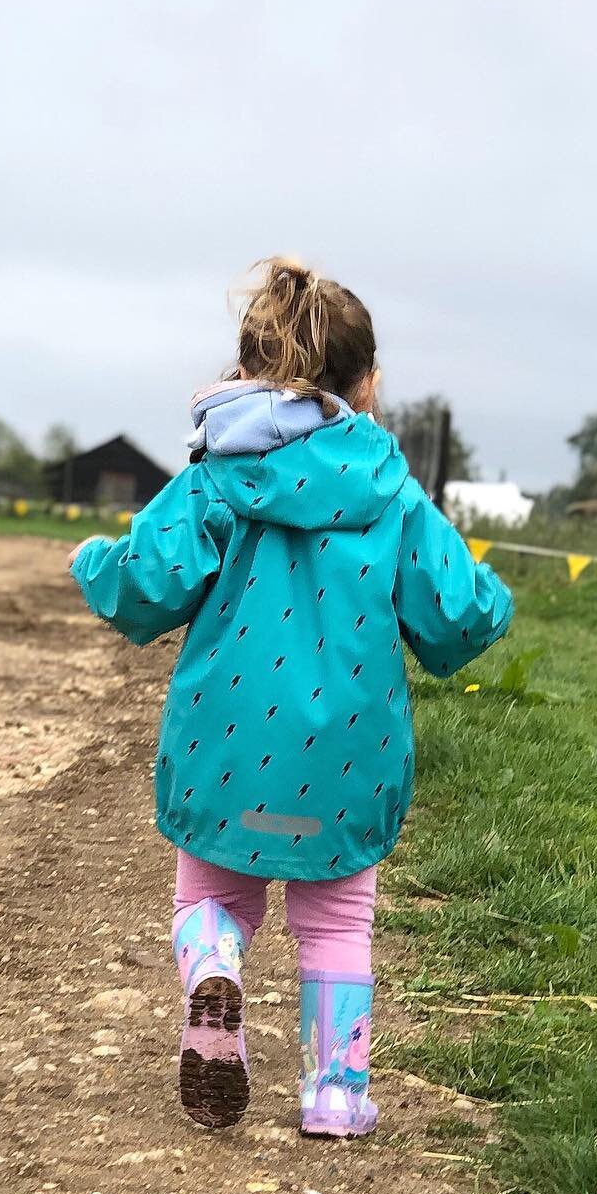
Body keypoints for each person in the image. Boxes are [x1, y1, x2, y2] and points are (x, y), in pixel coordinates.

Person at [69, 258, 512, 1138]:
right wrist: (494, 596)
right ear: (369, 384)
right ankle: (336, 1096)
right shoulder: (391, 492)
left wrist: (92, 561)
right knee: (340, 921)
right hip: (349, 750)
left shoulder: (217, 479)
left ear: (245, 375)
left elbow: (145, 584)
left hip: (226, 741)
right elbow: (458, 615)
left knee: (211, 899)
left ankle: (214, 970)